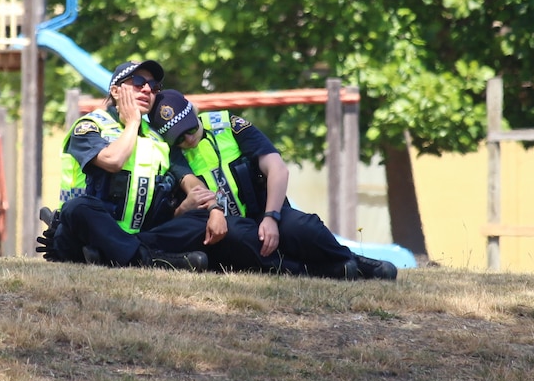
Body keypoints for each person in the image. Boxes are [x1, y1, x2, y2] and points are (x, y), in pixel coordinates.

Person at [149, 89, 398, 280]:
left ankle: (353, 261)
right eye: (178, 138)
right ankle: (321, 270)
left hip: (265, 211)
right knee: (240, 237)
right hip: (229, 228)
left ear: (195, 112)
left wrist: (271, 217)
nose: (189, 138)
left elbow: (277, 168)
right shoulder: (171, 154)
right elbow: (194, 187)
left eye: (190, 128)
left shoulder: (229, 126)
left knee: (302, 227)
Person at [36, 61, 226, 272]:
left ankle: (113, 256)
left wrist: (214, 209)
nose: (147, 89)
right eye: (138, 82)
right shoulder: (90, 125)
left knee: (198, 220)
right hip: (84, 233)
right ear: (115, 91)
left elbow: (191, 183)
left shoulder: (158, 137)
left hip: (139, 235)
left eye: (154, 86)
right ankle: (151, 260)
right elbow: (113, 161)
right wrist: (133, 122)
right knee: (78, 208)